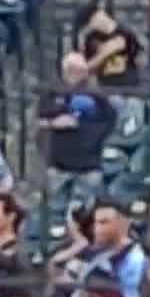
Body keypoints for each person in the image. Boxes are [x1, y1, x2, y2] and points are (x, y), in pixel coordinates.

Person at [40, 52, 115, 202]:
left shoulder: (97, 94)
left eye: (79, 70)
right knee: (55, 210)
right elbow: (40, 120)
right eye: (70, 69)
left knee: (84, 212)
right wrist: (54, 123)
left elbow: (110, 121)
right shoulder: (52, 93)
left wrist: (94, 136)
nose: (75, 74)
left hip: (89, 164)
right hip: (59, 165)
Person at [84, 199, 148, 297]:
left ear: (123, 224)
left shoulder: (135, 258)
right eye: (95, 223)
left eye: (104, 223)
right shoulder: (95, 255)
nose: (96, 229)